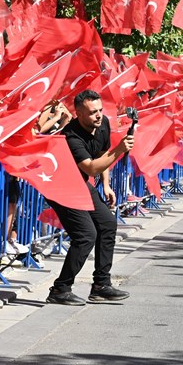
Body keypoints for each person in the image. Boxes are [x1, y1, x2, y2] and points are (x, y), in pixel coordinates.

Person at [46, 89, 133, 306]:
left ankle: (101, 285)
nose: (98, 115)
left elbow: (102, 155)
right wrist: (119, 150)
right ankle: (60, 289)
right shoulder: (70, 136)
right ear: (79, 113)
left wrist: (106, 184)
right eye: (93, 112)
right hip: (61, 186)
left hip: (81, 183)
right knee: (86, 235)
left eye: (100, 110)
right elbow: (91, 167)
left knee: (107, 224)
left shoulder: (102, 124)